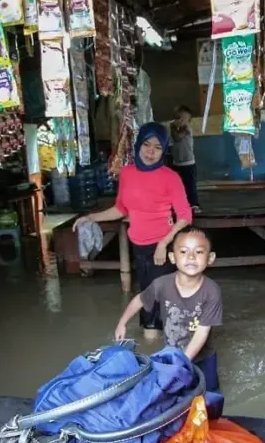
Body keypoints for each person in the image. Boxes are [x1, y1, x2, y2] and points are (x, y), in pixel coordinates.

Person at [73, 122, 192, 336]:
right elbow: (121, 208)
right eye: (147, 144)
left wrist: (164, 244)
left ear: (163, 150)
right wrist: (91, 218)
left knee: (156, 302)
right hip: (138, 246)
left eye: (157, 147)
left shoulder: (171, 177)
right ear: (138, 145)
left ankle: (169, 343)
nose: (150, 152)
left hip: (162, 248)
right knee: (149, 295)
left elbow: (185, 216)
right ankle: (159, 342)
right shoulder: (127, 173)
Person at [114, 226, 223, 399]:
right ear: (172, 257)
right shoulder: (162, 284)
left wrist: (183, 361)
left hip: (204, 358)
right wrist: (122, 323)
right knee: (174, 397)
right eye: (183, 251)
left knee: (209, 397)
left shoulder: (212, 291)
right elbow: (139, 300)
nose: (191, 257)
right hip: (173, 353)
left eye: (199, 252)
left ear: (210, 258)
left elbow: (202, 332)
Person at [169, 105, 199, 210]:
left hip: (189, 163)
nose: (180, 121)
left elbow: (177, 137)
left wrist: (172, 127)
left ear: (188, 121)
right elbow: (174, 137)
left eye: (183, 119)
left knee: (191, 185)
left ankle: (194, 204)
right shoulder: (174, 129)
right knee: (178, 186)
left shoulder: (187, 128)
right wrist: (172, 127)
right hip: (177, 163)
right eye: (178, 118)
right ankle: (180, 205)